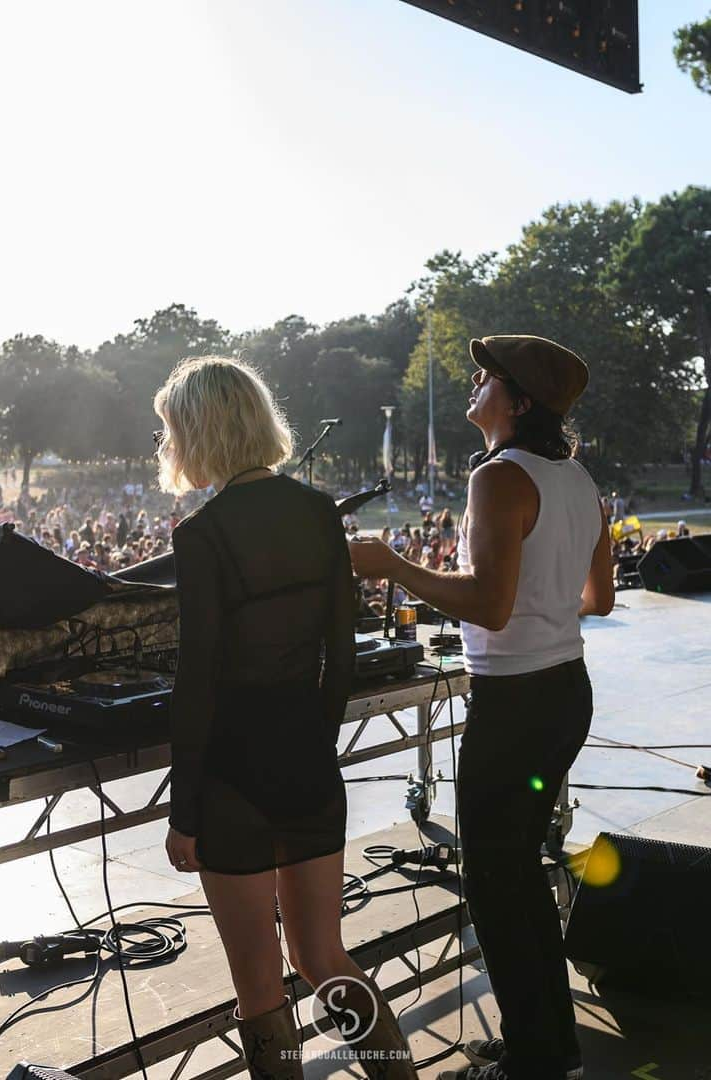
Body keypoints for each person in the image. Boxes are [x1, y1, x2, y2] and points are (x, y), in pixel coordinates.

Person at [350, 335, 612, 1080]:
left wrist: (393, 565)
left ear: (518, 401)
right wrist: (542, 603)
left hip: (518, 703)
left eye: (486, 376)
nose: (473, 382)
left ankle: (535, 1059)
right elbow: (600, 598)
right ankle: (548, 1045)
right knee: (520, 874)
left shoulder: (498, 478)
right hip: (566, 691)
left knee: (497, 887)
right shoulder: (578, 478)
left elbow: (492, 609)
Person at [155, 356, 415, 1080]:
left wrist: (184, 813)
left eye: (169, 429)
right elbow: (343, 654)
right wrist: (311, 741)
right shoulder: (317, 512)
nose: (165, 443)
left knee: (260, 990)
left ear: (200, 431)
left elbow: (197, 682)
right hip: (307, 764)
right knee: (323, 956)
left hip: (232, 781)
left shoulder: (202, 536)